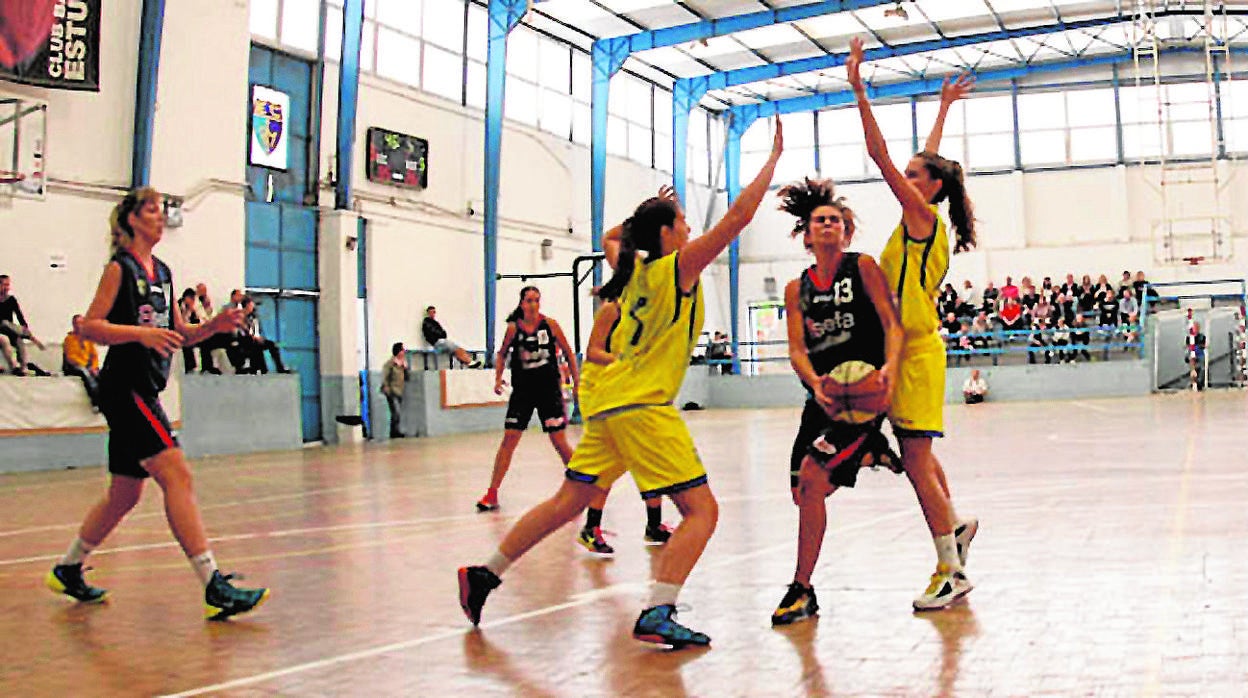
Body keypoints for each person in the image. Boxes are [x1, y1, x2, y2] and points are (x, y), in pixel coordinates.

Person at [458, 123, 785, 649]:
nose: (687, 227)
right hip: (641, 406)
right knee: (703, 512)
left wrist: (642, 212)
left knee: (568, 501)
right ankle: (659, 609)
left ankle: (485, 573)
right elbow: (739, 216)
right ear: (669, 235)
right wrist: (772, 160)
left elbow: (612, 238)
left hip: (609, 403)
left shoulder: (631, 271)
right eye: (680, 221)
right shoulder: (675, 270)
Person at [46, 187, 268, 619]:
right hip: (124, 387)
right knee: (177, 475)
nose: (160, 217)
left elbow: (180, 335)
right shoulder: (120, 269)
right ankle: (213, 584)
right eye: (151, 211)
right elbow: (89, 327)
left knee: (124, 494)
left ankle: (69, 567)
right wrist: (140, 334)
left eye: (162, 211)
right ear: (131, 220)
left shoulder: (163, 272)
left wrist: (216, 326)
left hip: (146, 387)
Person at [848, 38, 977, 611]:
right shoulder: (922, 213)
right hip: (908, 348)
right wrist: (944, 108)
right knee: (916, 453)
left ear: (928, 189)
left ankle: (950, 569)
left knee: (916, 459)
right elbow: (929, 160)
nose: (902, 176)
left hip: (918, 351)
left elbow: (881, 157)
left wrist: (857, 86)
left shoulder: (922, 217)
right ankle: (957, 527)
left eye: (911, 175)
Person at [769, 177, 903, 626]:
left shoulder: (862, 267)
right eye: (819, 220)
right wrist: (814, 381)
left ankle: (801, 589)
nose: (827, 224)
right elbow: (797, 350)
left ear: (845, 231)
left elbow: (893, 324)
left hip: (863, 396)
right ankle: (867, 454)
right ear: (806, 235)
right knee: (802, 492)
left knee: (812, 475)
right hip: (823, 395)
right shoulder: (796, 289)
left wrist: (889, 372)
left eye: (835, 220)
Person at [0, 274, 45, 376]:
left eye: (8, 285)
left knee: (19, 339)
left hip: (10, 330)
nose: (7, 288)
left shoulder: (11, 299)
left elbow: (20, 316)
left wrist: (25, 327)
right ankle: (14, 365)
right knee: (4, 331)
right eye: (5, 285)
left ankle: (23, 368)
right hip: (0, 332)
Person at [237, 297, 291, 374]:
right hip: (246, 341)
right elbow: (243, 331)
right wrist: (254, 336)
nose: (253, 307)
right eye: (251, 305)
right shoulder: (241, 316)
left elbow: (256, 330)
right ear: (247, 305)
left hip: (255, 339)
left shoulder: (253, 317)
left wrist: (258, 336)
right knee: (256, 347)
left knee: (271, 345)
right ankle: (262, 369)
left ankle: (280, 367)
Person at [62, 314, 101, 408]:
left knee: (100, 375)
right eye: (76, 323)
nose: (79, 326)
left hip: (87, 365)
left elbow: (94, 355)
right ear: (73, 325)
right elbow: (71, 358)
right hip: (73, 366)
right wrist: (86, 367)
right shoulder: (69, 339)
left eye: (81, 323)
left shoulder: (88, 339)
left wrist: (94, 367)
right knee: (85, 373)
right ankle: (96, 401)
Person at [381, 341, 409, 438]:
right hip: (392, 391)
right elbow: (385, 376)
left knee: (397, 413)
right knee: (395, 412)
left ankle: (396, 431)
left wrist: (405, 369)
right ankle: (394, 432)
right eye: (402, 350)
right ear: (398, 351)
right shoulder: (391, 363)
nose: (404, 352)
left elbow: (407, 378)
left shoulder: (403, 363)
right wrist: (386, 388)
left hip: (400, 391)